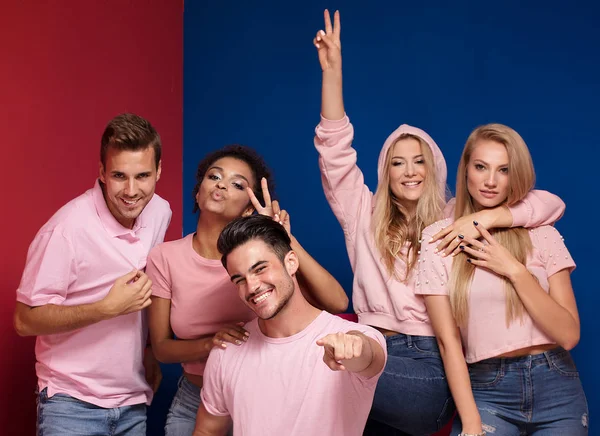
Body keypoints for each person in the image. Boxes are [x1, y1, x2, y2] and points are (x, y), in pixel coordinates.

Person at [312, 10, 567, 435]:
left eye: (420, 161)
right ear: (385, 173)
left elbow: (548, 205)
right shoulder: (362, 213)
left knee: (318, 365)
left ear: (436, 169)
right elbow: (334, 150)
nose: (410, 171)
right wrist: (333, 73)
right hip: (370, 344)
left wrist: (488, 216)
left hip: (430, 364)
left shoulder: (457, 218)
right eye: (398, 162)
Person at [146, 145, 348, 435]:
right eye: (214, 177)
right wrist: (211, 343)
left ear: (249, 207)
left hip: (261, 396)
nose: (222, 185)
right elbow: (162, 348)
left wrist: (281, 236)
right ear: (198, 192)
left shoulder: (261, 260)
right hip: (195, 398)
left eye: (237, 184)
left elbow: (337, 301)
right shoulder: (164, 258)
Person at [417, 123, 588, 436]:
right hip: (486, 391)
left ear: (516, 175)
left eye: (504, 170)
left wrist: (515, 270)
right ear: (466, 168)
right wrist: (470, 423)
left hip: (556, 385)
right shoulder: (439, 239)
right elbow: (447, 341)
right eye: (481, 167)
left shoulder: (542, 233)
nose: (491, 181)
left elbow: (569, 334)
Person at [14, 113, 171, 435]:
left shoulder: (159, 212)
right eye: (118, 176)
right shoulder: (66, 230)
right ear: (101, 172)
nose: (131, 190)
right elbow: (24, 320)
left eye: (142, 176)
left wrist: (151, 351)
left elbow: (148, 286)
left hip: (132, 400)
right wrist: (105, 309)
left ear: (158, 171)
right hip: (70, 404)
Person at [191, 215, 386, 436]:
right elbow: (207, 431)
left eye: (260, 269)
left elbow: (369, 356)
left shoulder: (350, 338)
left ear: (291, 262)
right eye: (240, 280)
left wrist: (354, 347)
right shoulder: (227, 350)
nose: (252, 286)